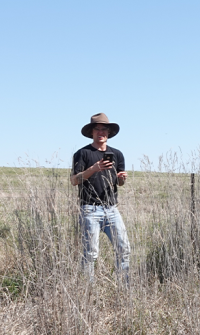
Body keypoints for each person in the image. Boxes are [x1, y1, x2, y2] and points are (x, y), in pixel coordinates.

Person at [70, 113, 130, 282]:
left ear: (109, 132)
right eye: (97, 129)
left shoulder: (117, 154)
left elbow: (119, 183)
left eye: (104, 129)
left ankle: (124, 286)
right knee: (90, 253)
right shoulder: (82, 154)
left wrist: (121, 179)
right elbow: (74, 181)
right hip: (89, 209)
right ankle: (88, 290)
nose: (101, 132)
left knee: (123, 248)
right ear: (92, 132)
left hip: (111, 209)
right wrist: (94, 168)